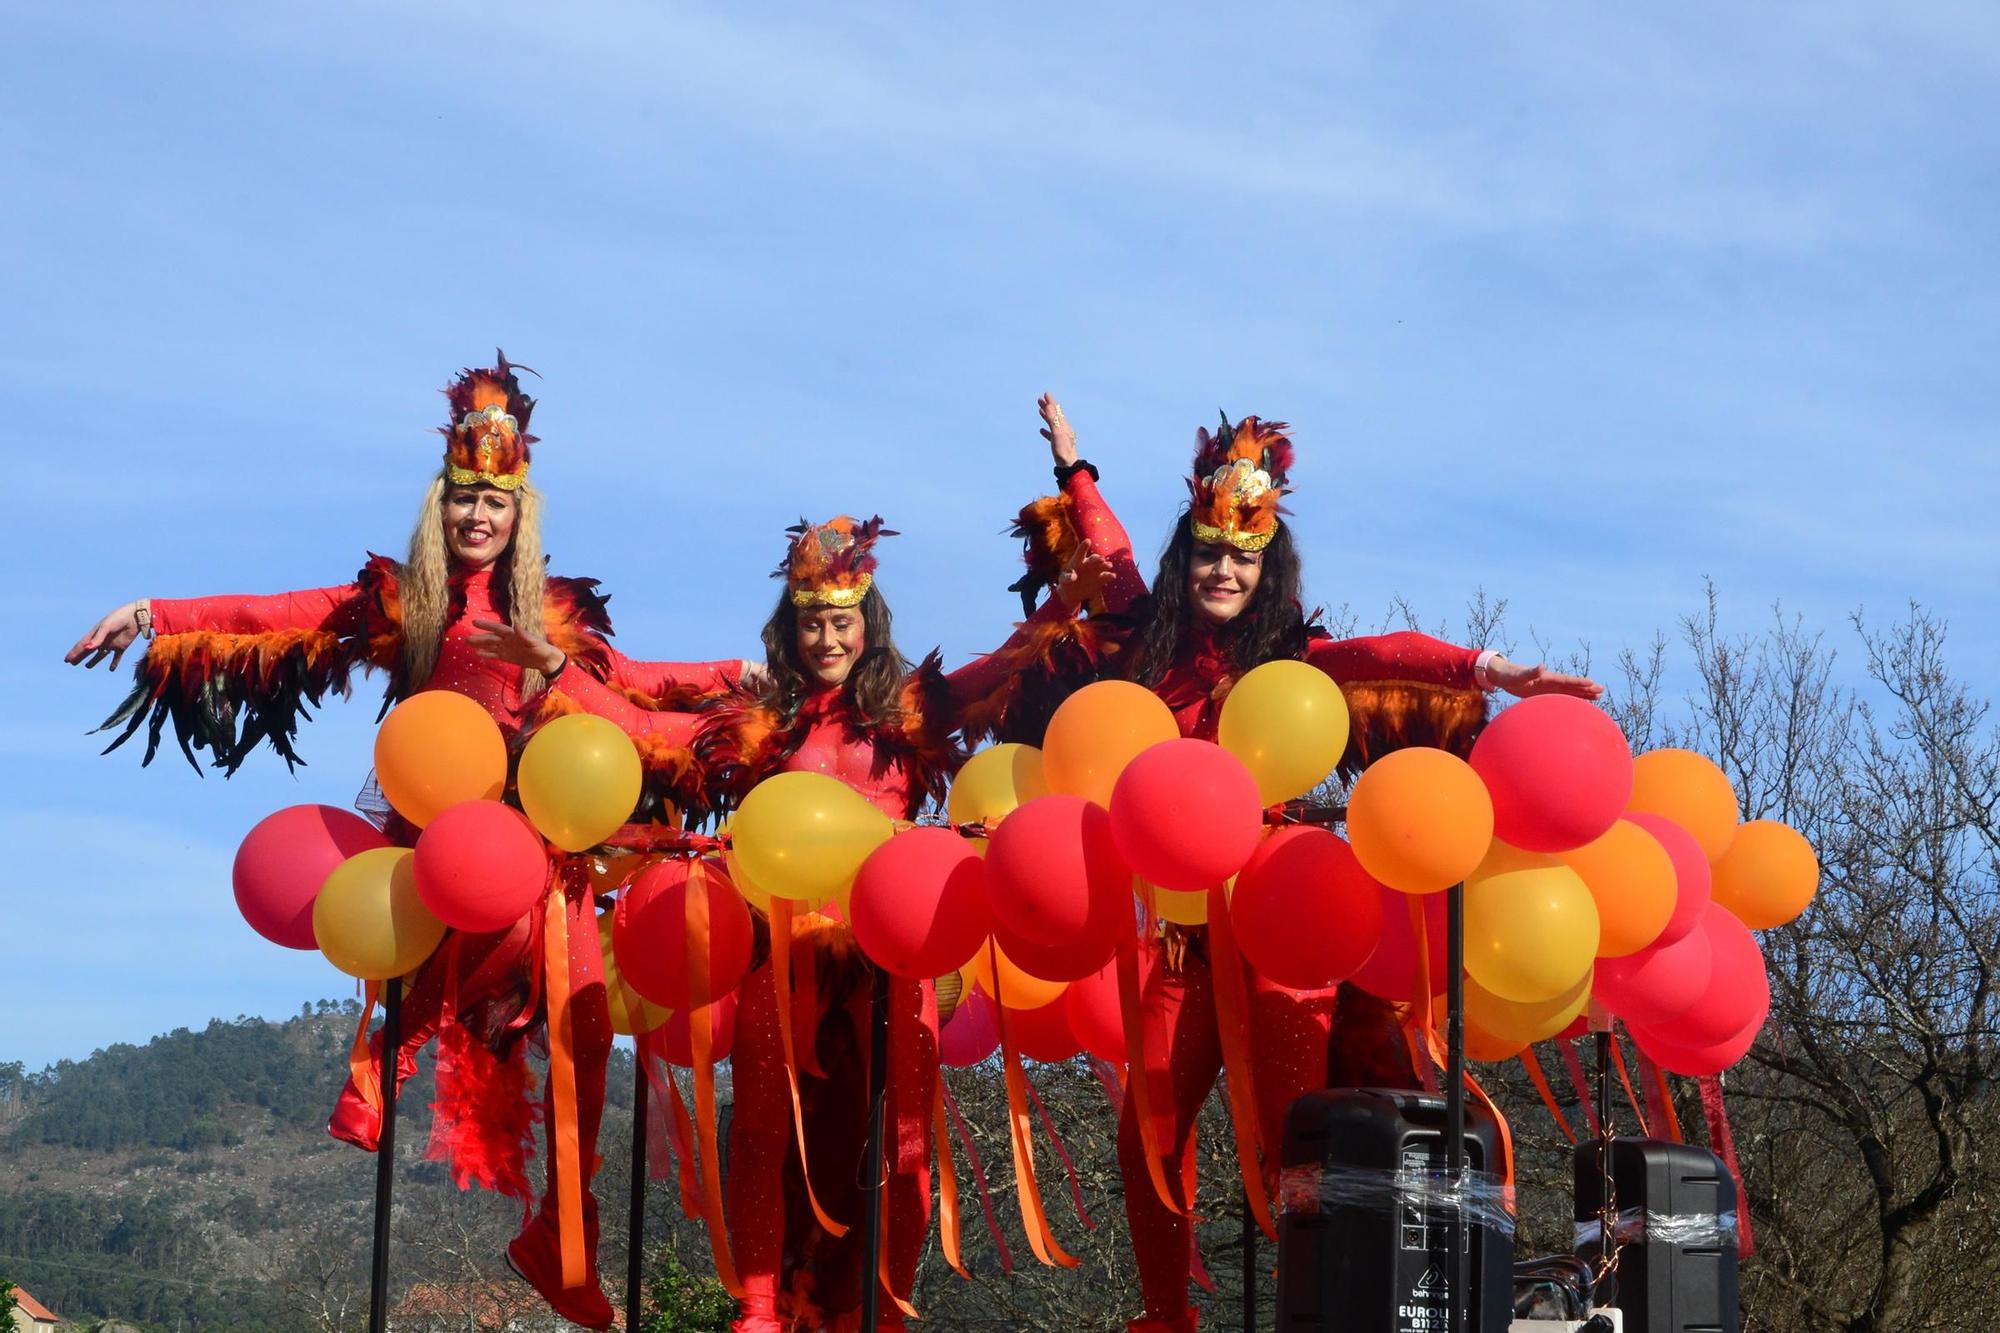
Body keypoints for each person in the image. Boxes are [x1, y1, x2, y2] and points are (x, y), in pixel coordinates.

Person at [64, 354, 742, 1330]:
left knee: (588, 1027)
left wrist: (734, 677)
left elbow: (634, 682)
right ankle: (378, 1070)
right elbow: (278, 615)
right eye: (463, 498)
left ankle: (559, 1237)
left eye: (495, 502)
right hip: (440, 839)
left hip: (543, 849)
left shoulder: (551, 619)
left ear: (520, 515)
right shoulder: (405, 604)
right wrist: (153, 615)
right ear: (442, 506)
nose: (478, 516)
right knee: (472, 954)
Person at [1000, 397, 1603, 1333]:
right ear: (1186, 556)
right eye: (1209, 551)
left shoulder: (1293, 659)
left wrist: (1490, 669)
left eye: (1244, 555)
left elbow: (1378, 652)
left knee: (1298, 1142)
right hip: (1180, 936)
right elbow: (1108, 546)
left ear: (1267, 563)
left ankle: (1319, 1312)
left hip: (1282, 922)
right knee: (1147, 1127)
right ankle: (1167, 1316)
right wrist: (1075, 472)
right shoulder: (1145, 633)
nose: (1225, 569)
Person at [489, 513, 1093, 1330]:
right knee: (766, 1128)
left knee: (906, 1149)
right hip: (785, 948)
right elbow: (647, 729)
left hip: (898, 944)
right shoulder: (760, 721)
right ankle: (761, 1305)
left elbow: (1006, 667)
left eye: (841, 620)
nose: (826, 636)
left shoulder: (913, 709)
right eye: (811, 620)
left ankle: (882, 1306)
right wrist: (560, 668)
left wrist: (1071, 571)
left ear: (868, 622)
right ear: (790, 623)